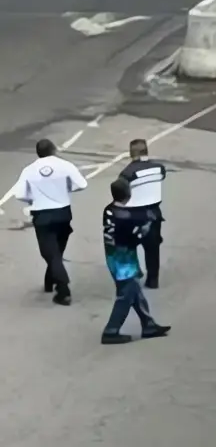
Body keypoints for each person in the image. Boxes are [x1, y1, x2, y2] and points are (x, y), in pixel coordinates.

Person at [10, 138, 86, 306]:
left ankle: (63, 290)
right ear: (54, 149)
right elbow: (82, 184)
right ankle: (49, 281)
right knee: (56, 251)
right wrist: (66, 190)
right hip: (63, 213)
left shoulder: (29, 170)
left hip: (42, 215)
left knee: (50, 253)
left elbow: (20, 194)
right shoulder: (65, 165)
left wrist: (33, 198)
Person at [100, 178, 169, 345]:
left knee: (135, 292)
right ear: (129, 194)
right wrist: (146, 227)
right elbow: (135, 238)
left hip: (112, 255)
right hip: (124, 261)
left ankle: (148, 324)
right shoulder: (128, 218)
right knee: (126, 295)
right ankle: (111, 331)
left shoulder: (109, 210)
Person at [118, 138, 167, 288]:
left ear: (131, 153)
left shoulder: (127, 172)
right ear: (146, 151)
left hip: (133, 215)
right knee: (152, 248)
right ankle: (153, 279)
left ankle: (132, 275)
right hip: (153, 213)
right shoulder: (159, 168)